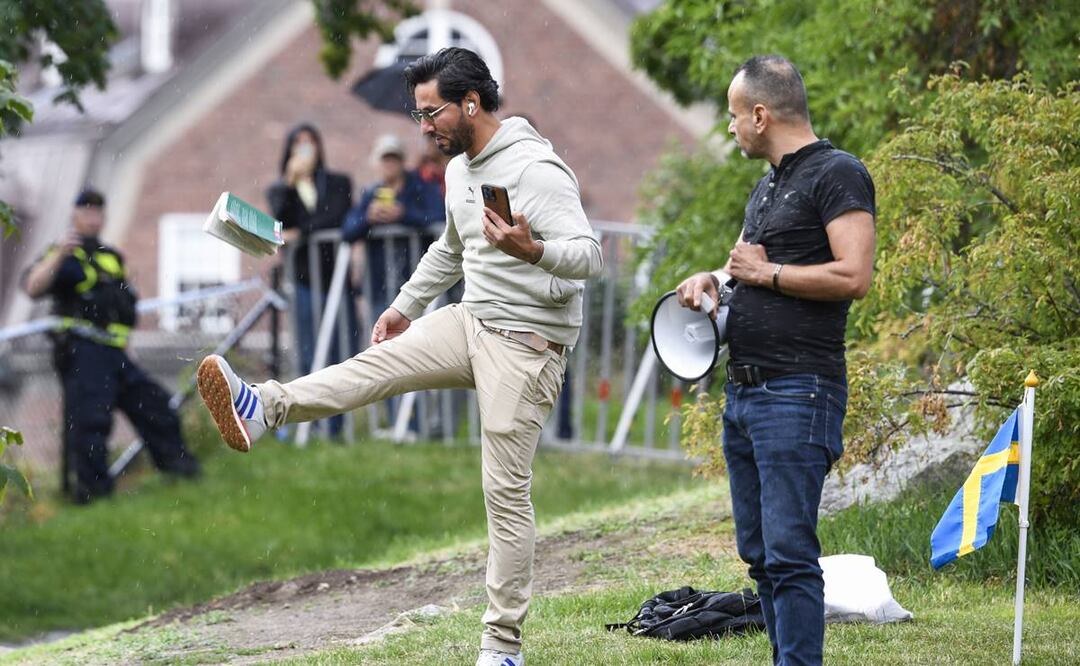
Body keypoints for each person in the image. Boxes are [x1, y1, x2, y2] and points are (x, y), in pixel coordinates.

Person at [197, 47, 602, 666]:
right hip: (470, 321)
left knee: (504, 493)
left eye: (430, 113)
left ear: (471, 103)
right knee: (373, 368)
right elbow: (451, 247)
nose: (424, 128)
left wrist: (535, 249)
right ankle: (263, 406)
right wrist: (405, 306)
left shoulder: (537, 169)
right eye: (417, 116)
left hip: (527, 347)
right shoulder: (462, 168)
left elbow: (590, 257)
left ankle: (502, 648)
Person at [676, 55, 876, 666]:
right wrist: (712, 278)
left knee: (789, 551)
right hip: (744, 394)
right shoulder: (767, 185)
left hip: (798, 390)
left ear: (761, 114)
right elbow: (748, 271)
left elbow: (854, 275)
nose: (731, 128)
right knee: (760, 552)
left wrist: (768, 272)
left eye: (735, 116)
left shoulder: (839, 174)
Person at [22, 189, 200, 504]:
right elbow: (33, 287)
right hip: (82, 352)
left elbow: (120, 309)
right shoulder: (63, 255)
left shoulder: (111, 257)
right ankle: (93, 498)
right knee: (91, 424)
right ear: (74, 215)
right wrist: (60, 254)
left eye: (97, 211)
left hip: (116, 354)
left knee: (156, 405)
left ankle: (182, 473)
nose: (92, 217)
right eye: (86, 210)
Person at [267, 123, 356, 438]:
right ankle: (308, 423)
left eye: (310, 143)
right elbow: (280, 225)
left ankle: (336, 426)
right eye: (298, 143)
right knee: (307, 353)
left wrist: (303, 233)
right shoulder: (280, 188)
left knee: (339, 353)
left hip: (336, 278)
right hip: (304, 279)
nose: (304, 149)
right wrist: (291, 184)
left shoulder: (337, 182)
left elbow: (336, 216)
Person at [342, 133, 445, 323]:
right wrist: (368, 218)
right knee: (384, 343)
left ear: (402, 161)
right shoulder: (371, 193)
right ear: (377, 163)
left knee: (419, 345)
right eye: (385, 159)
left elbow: (440, 216)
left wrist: (404, 215)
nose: (390, 164)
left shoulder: (420, 187)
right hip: (380, 284)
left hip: (417, 283)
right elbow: (347, 230)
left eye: (394, 158)